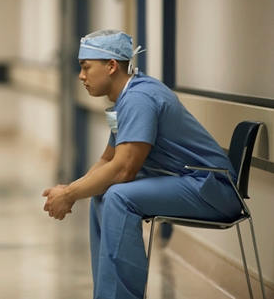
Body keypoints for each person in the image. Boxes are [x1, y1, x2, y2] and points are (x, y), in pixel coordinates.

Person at [42, 30, 242, 299]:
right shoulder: (123, 101)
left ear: (111, 66)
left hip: (213, 188)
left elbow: (124, 169)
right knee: (102, 193)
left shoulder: (138, 99)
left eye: (85, 67)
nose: (81, 76)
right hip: (190, 183)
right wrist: (74, 191)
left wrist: (68, 195)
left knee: (119, 196)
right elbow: (108, 159)